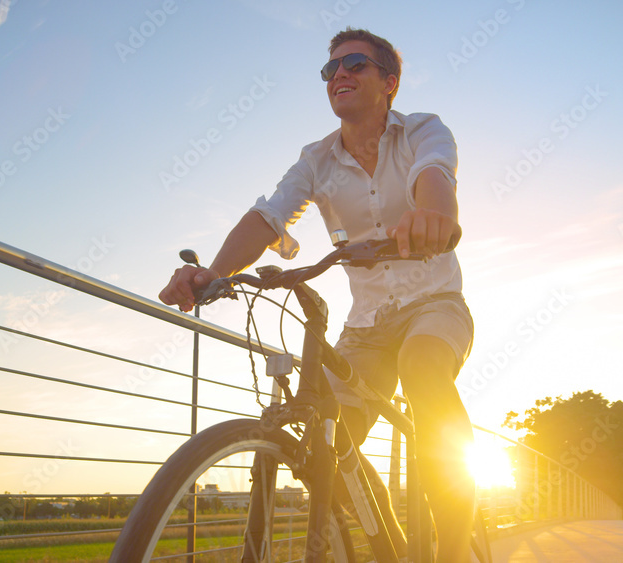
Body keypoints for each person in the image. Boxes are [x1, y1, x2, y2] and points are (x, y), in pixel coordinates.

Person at [159, 27, 475, 562]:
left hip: (434, 303)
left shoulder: (423, 129)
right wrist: (212, 272)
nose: (339, 76)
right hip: (366, 326)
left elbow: (434, 176)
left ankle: (450, 549)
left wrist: (434, 217)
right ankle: (389, 542)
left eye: (355, 65)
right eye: (330, 70)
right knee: (325, 450)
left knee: (424, 369)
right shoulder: (316, 159)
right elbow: (269, 215)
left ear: (390, 83)